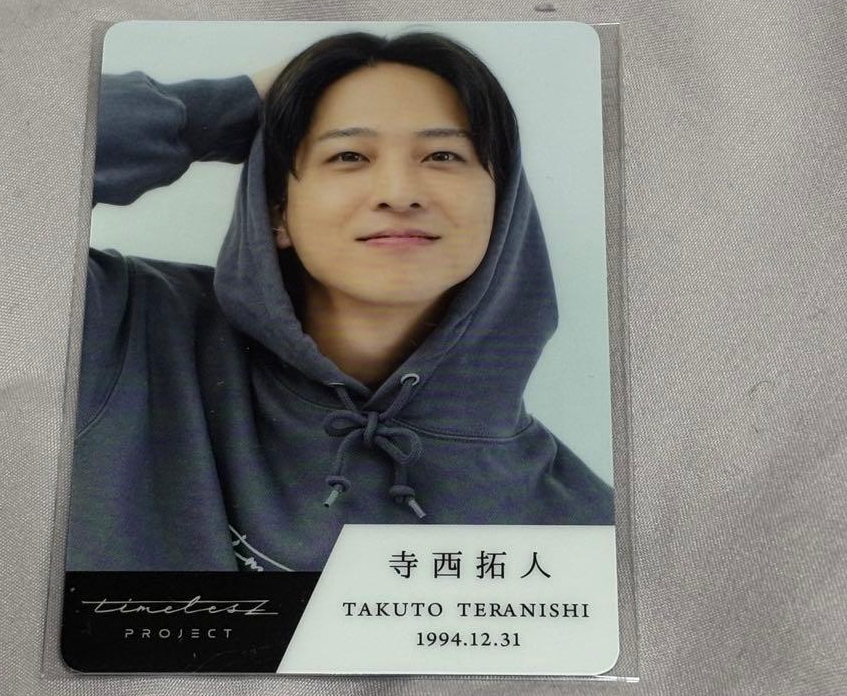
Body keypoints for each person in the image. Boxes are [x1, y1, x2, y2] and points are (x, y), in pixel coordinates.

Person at [67, 31, 613, 573]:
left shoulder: (582, 527)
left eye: (443, 155)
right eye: (349, 155)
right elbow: (24, 161)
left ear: (503, 203)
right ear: (277, 209)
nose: (399, 194)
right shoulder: (122, 330)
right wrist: (229, 106)